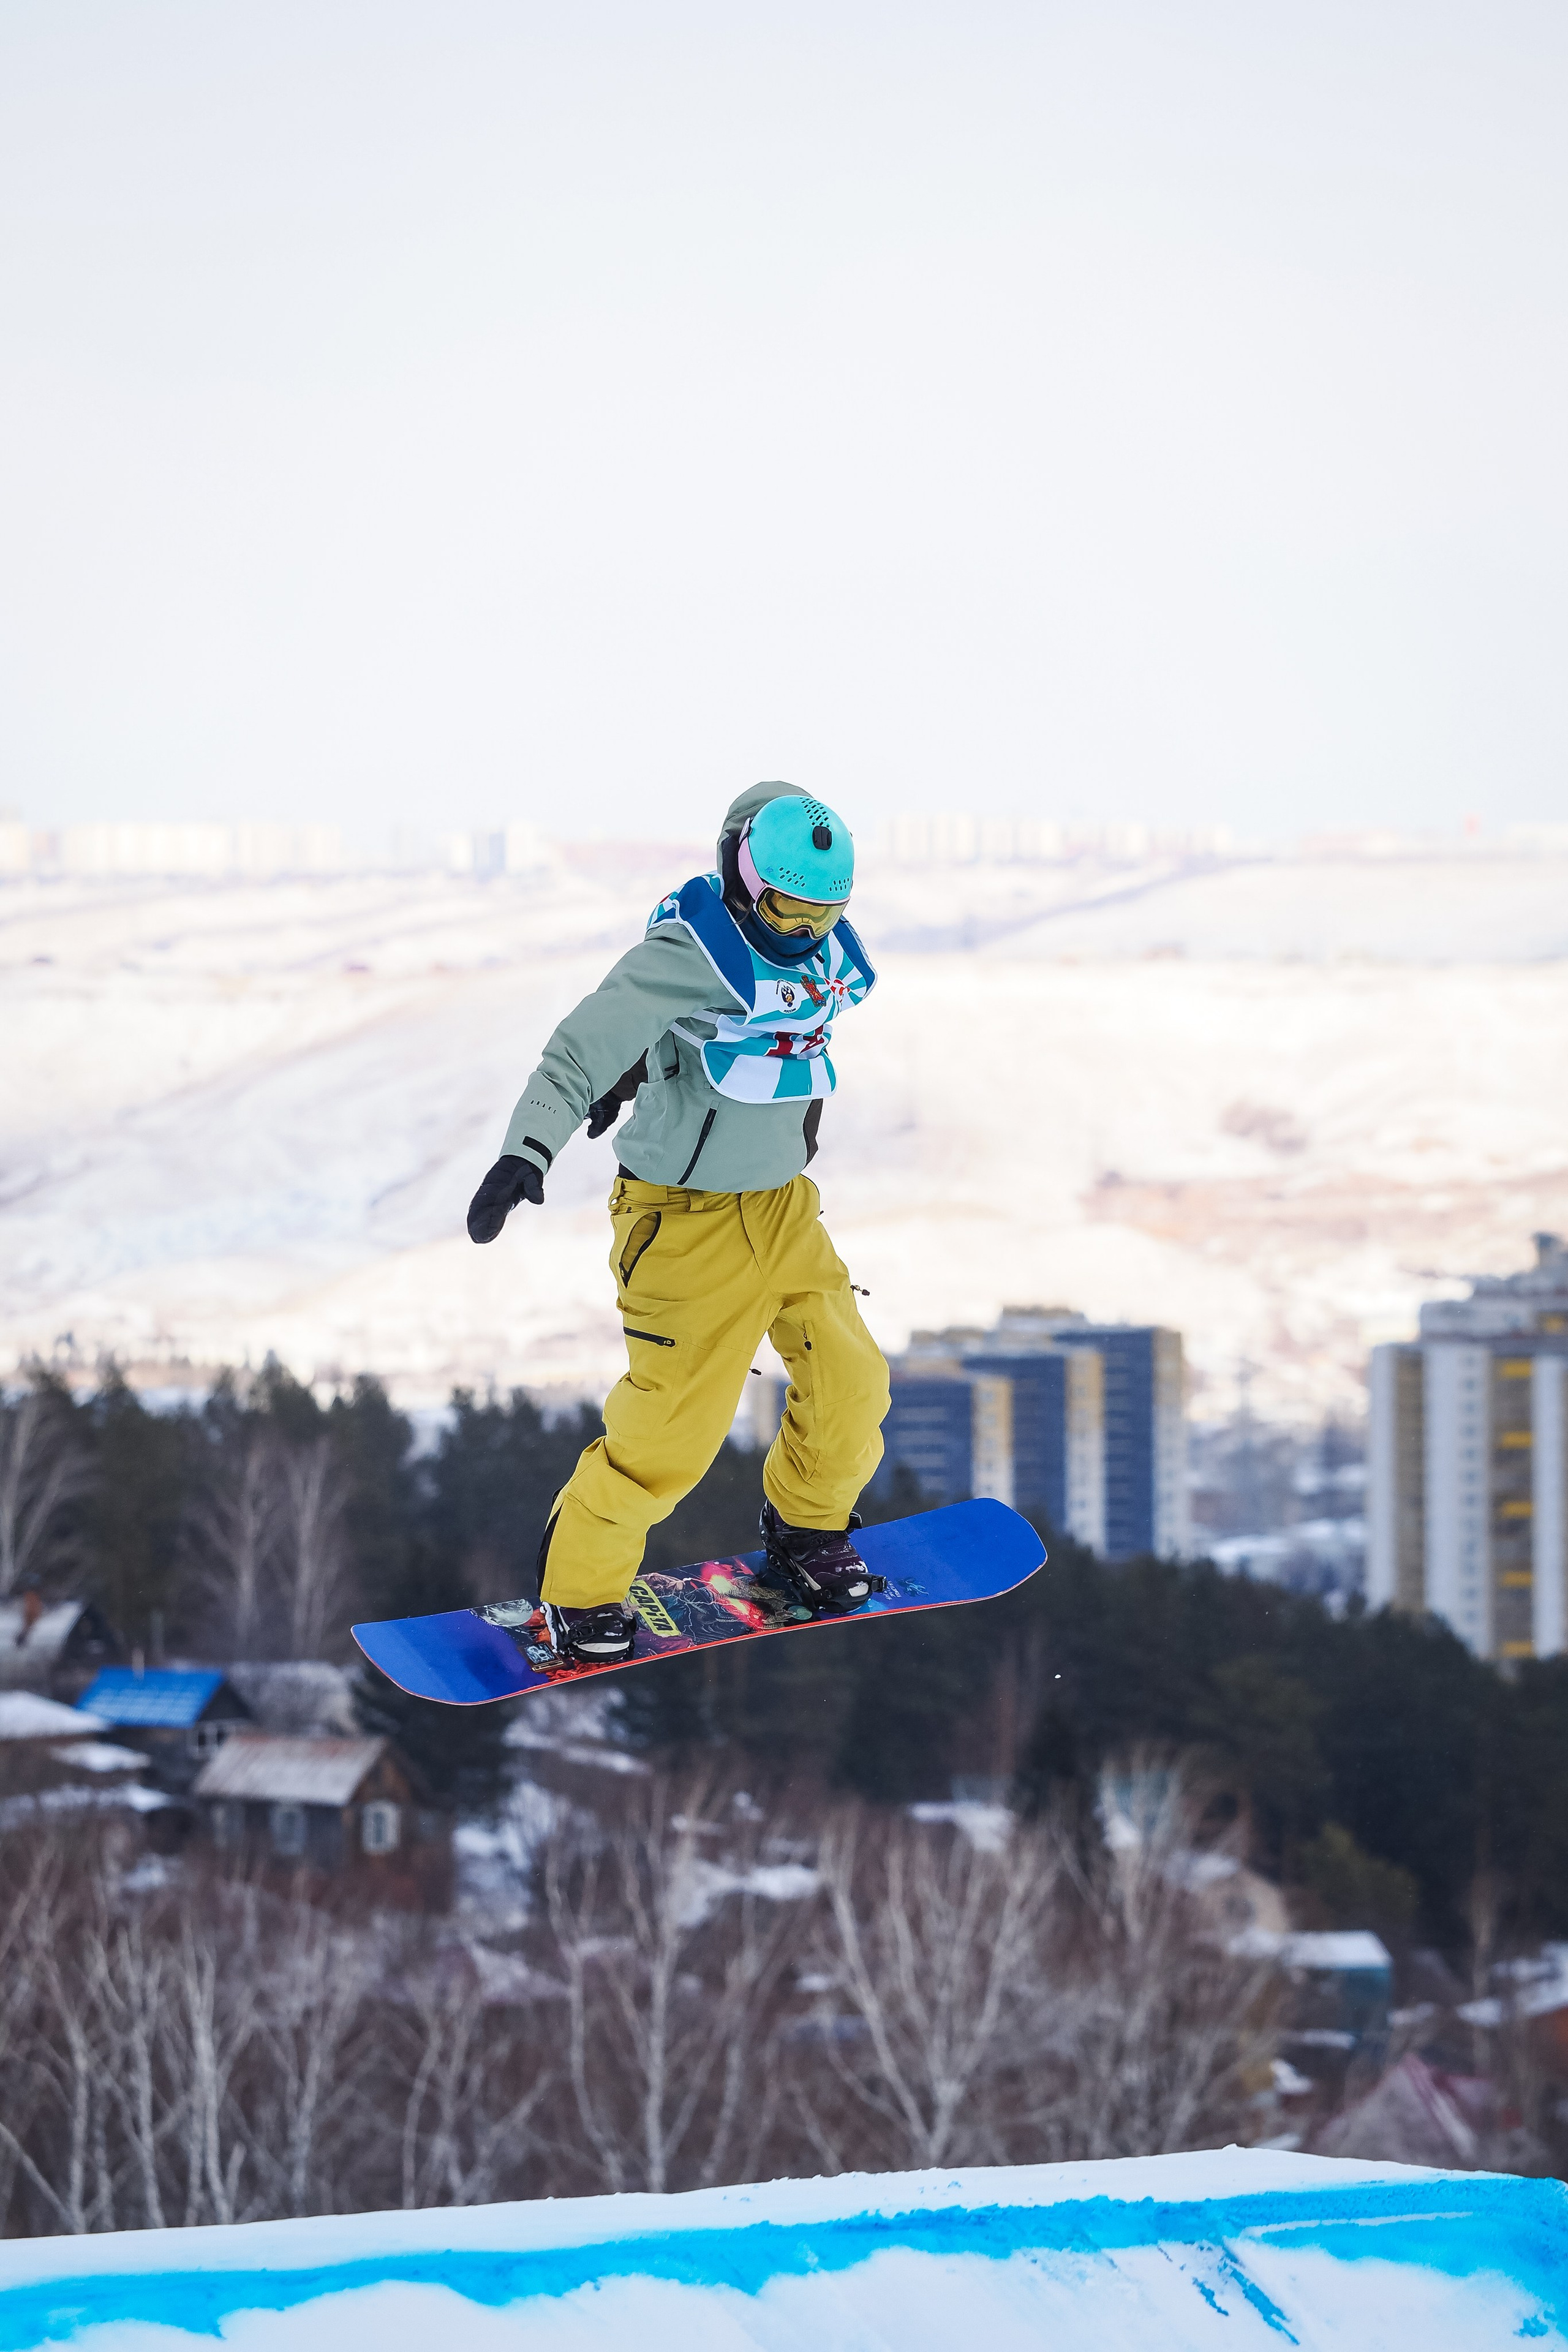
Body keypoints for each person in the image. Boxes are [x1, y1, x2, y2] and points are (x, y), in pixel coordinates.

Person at [466, 783, 891, 1668]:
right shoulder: (691, 952)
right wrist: (526, 1151)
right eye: (785, 909)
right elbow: (584, 1045)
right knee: (670, 1437)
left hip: (784, 1210)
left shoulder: (817, 962)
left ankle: (808, 1531)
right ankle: (579, 1593)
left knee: (852, 1382)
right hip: (684, 1224)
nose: (801, 931)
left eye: (822, 915)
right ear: (742, 879)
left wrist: (656, 1062)